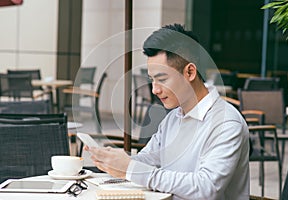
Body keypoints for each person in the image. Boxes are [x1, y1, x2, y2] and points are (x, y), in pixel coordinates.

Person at [85, 24, 249, 199]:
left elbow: (206, 189)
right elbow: (146, 160)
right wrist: (114, 160)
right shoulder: (173, 118)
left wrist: (132, 169)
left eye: (162, 79)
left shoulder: (226, 123)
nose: (155, 90)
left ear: (190, 72)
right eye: (152, 80)